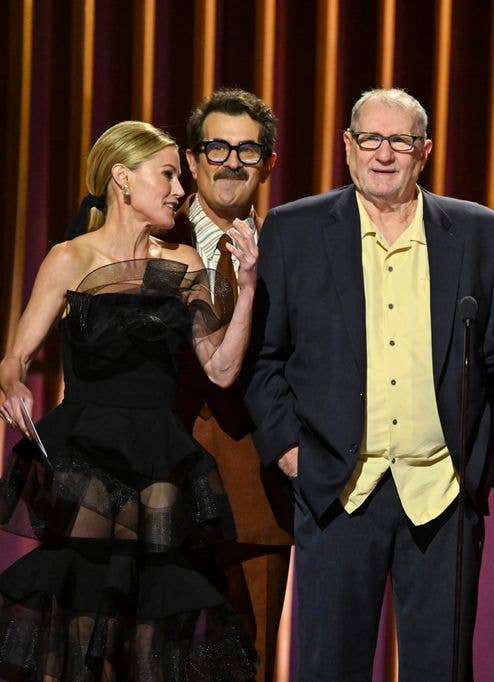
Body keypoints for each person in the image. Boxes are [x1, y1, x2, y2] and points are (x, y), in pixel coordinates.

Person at [243, 87, 494, 681]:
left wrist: (489, 452)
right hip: (336, 489)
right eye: (370, 139)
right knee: (329, 667)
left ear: (423, 151)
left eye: (399, 141)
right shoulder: (294, 230)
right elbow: (263, 358)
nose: (383, 154)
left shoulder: (481, 234)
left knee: (442, 669)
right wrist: (293, 455)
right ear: (347, 147)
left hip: (444, 494)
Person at [0, 120, 259, 679]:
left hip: (160, 455)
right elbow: (14, 356)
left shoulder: (184, 264)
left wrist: (249, 286)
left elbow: (220, 368)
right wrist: (13, 383)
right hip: (88, 451)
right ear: (123, 178)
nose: (178, 190)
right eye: (166, 174)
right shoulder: (71, 258)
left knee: (154, 622)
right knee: (86, 612)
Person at [165, 87, 291, 681]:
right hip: (155, 487)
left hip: (257, 494)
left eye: (248, 149)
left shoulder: (293, 251)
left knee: (248, 661)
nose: (231, 161)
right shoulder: (144, 237)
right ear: (191, 160)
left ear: (268, 163)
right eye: (216, 146)